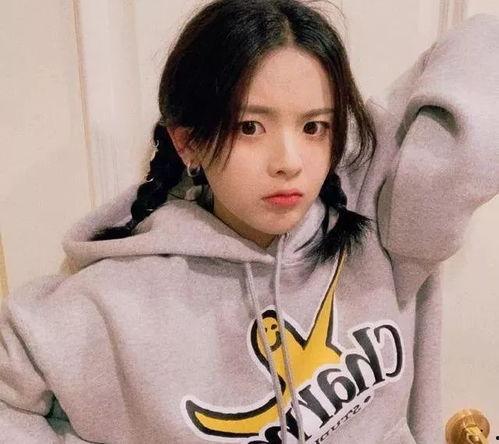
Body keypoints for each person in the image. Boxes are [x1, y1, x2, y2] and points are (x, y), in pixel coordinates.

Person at [1, 0, 498, 442]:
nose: (289, 162)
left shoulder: (379, 221)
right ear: (188, 143)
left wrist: (363, 142)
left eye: (313, 126)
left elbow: (485, 44)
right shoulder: (117, 301)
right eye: (250, 126)